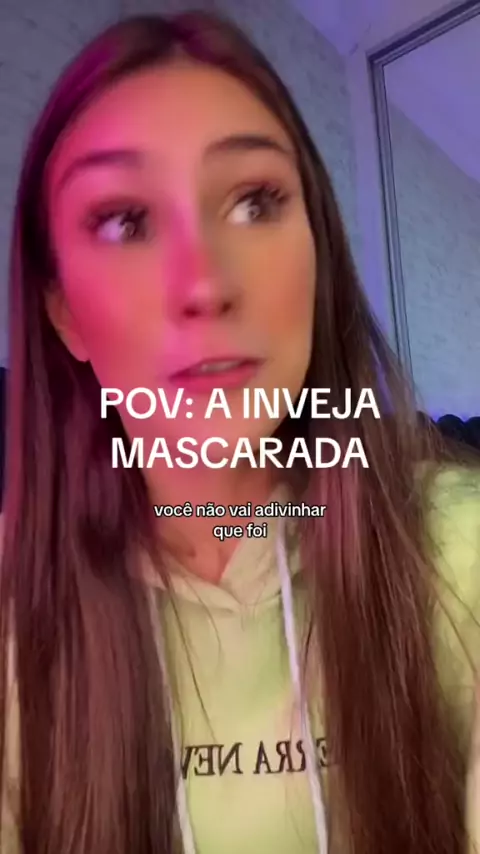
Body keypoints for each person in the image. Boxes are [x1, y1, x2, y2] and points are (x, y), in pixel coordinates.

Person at [0, 10, 479, 854]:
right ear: (63, 310)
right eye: (124, 221)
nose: (205, 283)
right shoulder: (15, 602)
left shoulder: (459, 550)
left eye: (255, 202)